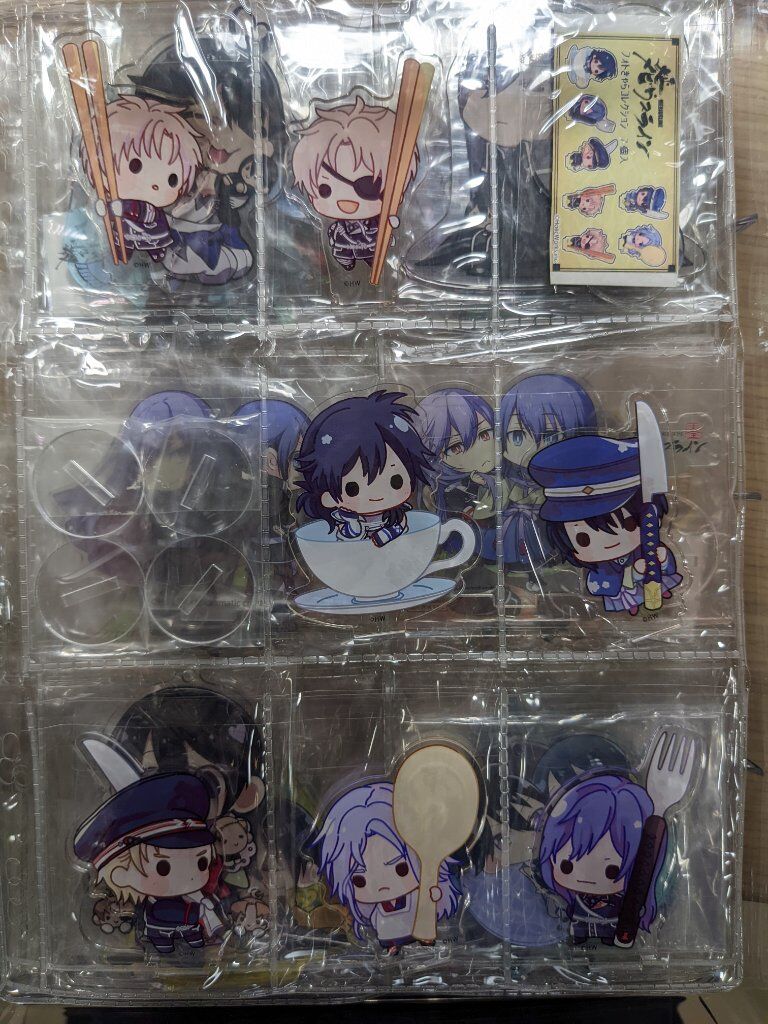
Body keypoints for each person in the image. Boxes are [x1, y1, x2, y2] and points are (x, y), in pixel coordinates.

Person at [292, 96, 418, 270]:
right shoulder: (338, 228)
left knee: (374, 260)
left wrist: (390, 225)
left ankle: (367, 263)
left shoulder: (375, 222)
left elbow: (389, 224)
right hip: (344, 247)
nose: (346, 202)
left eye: (368, 186)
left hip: (373, 248)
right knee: (345, 257)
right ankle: (347, 262)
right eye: (324, 189)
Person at [82, 96, 202, 262]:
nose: (155, 185)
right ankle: (124, 253)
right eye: (135, 166)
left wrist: (122, 208)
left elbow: (146, 214)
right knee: (122, 245)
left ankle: (157, 252)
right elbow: (110, 212)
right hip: (125, 232)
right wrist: (106, 209)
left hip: (152, 233)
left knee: (156, 248)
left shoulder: (147, 208)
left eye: (172, 179)